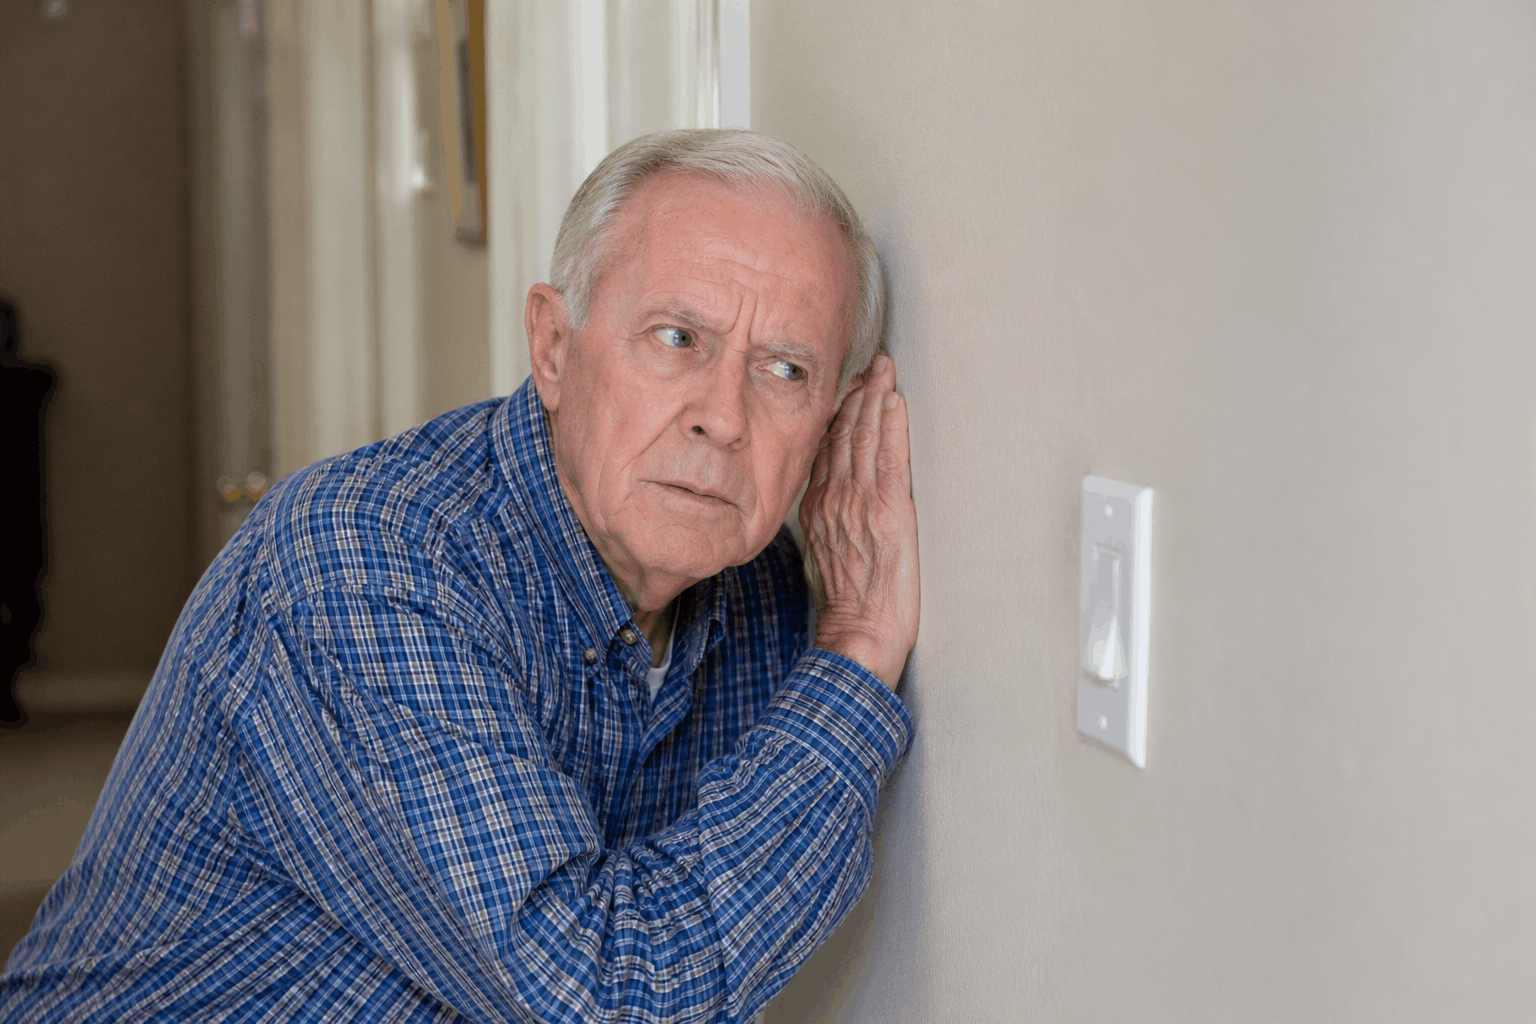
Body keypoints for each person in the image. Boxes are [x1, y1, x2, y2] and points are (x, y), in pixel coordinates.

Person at [0, 129, 919, 1023]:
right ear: (553, 348)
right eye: (677, 337)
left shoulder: (759, 586)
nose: (723, 417)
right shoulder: (363, 563)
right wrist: (856, 657)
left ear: (834, 422)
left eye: (785, 369)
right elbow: (604, 999)